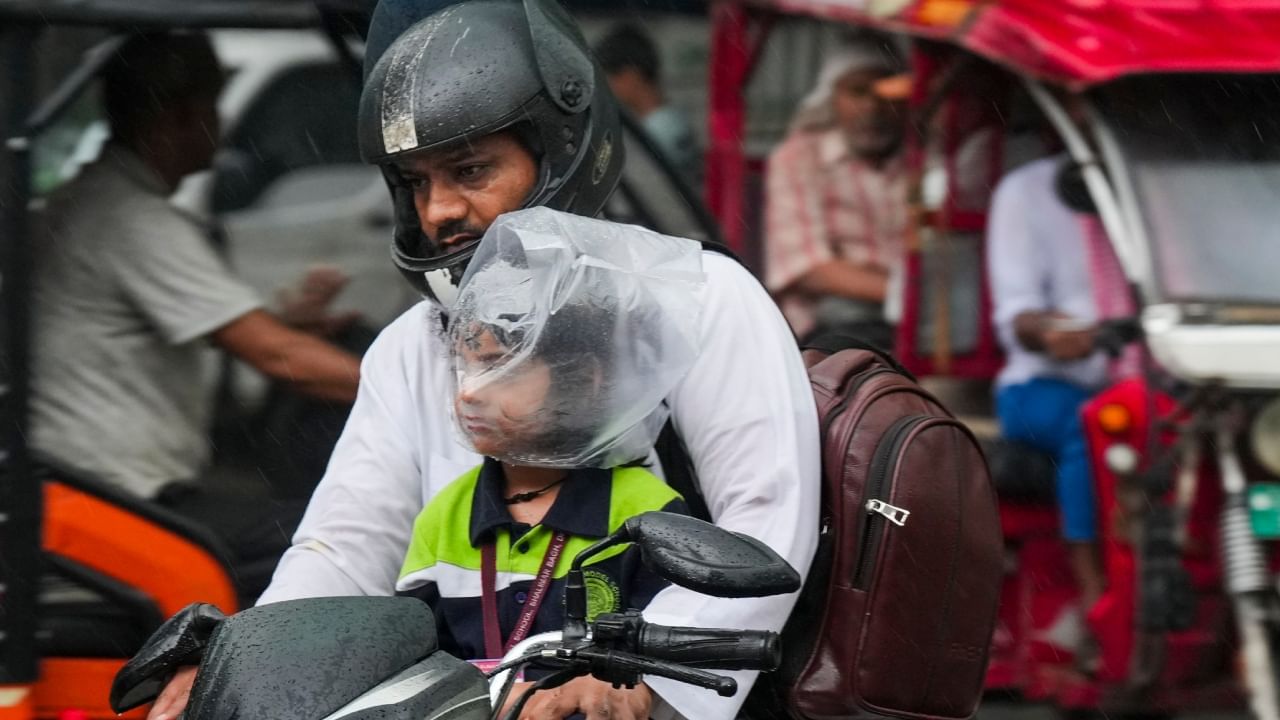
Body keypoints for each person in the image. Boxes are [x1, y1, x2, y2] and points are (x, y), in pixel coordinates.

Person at [145, 3, 820, 720]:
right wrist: (254, 663)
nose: (438, 211)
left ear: (559, 153)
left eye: (469, 170)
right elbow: (346, 548)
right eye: (415, 183)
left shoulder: (697, 302)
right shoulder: (415, 344)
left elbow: (766, 523)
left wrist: (641, 677)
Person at [29, 32, 362, 598]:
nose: (220, 124)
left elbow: (242, 333)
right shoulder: (134, 221)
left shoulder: (91, 202)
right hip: (120, 501)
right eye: (213, 105)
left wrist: (292, 327)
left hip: (79, 489)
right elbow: (276, 356)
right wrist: (422, 394)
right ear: (183, 115)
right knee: (335, 542)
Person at [397, 212, 694, 690]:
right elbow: (419, 667)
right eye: (465, 368)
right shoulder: (443, 520)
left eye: (501, 368)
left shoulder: (646, 512)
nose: (470, 393)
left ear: (582, 380)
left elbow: (669, 657)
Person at [987, 155, 1139, 669]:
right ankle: (1096, 596)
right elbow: (1019, 317)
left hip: (1151, 382)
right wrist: (1065, 334)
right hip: (1042, 385)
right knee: (1093, 427)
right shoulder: (1026, 191)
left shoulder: (1158, 178)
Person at [763, 38, 909, 348]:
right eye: (858, 92)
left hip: (915, 326)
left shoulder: (921, 158)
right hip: (831, 328)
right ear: (833, 98)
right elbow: (808, 268)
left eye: (887, 92)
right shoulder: (799, 157)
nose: (872, 106)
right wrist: (902, 290)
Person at [595, 22, 701, 188]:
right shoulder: (675, 120)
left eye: (610, 79)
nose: (608, 88)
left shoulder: (657, 132)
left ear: (631, 75)